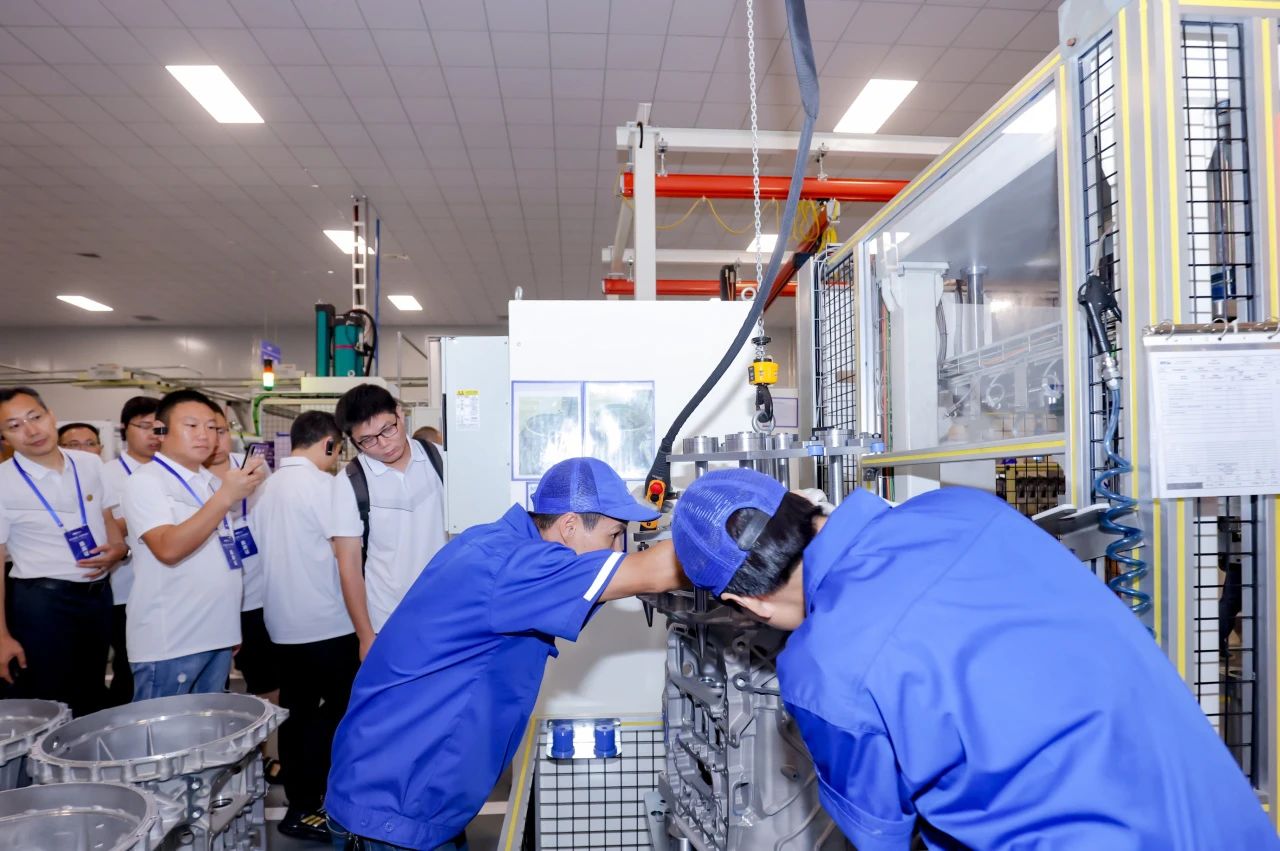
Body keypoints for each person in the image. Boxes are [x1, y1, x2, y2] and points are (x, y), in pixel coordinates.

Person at [670, 469, 1280, 851]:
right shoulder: (963, 510)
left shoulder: (825, 670)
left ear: (745, 601)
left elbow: (881, 836)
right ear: (804, 506)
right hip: (1218, 812)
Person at [326, 457, 686, 851]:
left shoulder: (496, 544)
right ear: (569, 526)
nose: (618, 549)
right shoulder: (517, 567)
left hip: (407, 792)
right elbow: (652, 572)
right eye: (614, 535)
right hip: (392, 807)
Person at [122, 389, 266, 701]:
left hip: (215, 634)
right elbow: (168, 549)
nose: (204, 435)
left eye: (212, 427)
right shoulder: (146, 481)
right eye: (191, 426)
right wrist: (226, 497)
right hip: (173, 641)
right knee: (166, 730)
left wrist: (229, 627)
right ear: (161, 430)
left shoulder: (209, 483)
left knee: (206, 729)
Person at [256, 411, 357, 843]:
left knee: (296, 716)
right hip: (328, 622)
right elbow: (345, 556)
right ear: (330, 444)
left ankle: (300, 804)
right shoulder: (328, 486)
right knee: (339, 715)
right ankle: (321, 800)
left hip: (282, 622)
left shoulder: (264, 487)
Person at [0, 387, 127, 716]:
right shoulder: (3, 481)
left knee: (92, 693)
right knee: (50, 701)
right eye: (14, 426)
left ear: (51, 415)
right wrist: (1, 636)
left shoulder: (89, 463)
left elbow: (106, 515)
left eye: (35, 417)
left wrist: (119, 548)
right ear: (4, 437)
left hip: (97, 596)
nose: (31, 431)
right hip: (42, 604)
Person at [330, 384, 446, 659]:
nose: (383, 444)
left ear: (399, 414)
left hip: (448, 613)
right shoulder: (349, 482)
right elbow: (349, 567)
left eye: (387, 429)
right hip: (389, 621)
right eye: (367, 440)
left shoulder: (440, 458)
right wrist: (365, 636)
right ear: (353, 441)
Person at [204, 408, 279, 703]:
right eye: (209, 431)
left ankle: (266, 734)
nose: (216, 440)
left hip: (257, 595)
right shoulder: (191, 477)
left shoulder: (255, 468)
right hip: (211, 599)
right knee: (211, 684)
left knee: (266, 679)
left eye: (221, 431)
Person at [100, 395, 161, 706]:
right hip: (124, 590)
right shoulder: (107, 474)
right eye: (145, 426)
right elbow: (102, 528)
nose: (154, 435)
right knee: (128, 670)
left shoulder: (171, 471)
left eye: (159, 428)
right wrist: (140, 519)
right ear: (125, 428)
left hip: (165, 588)